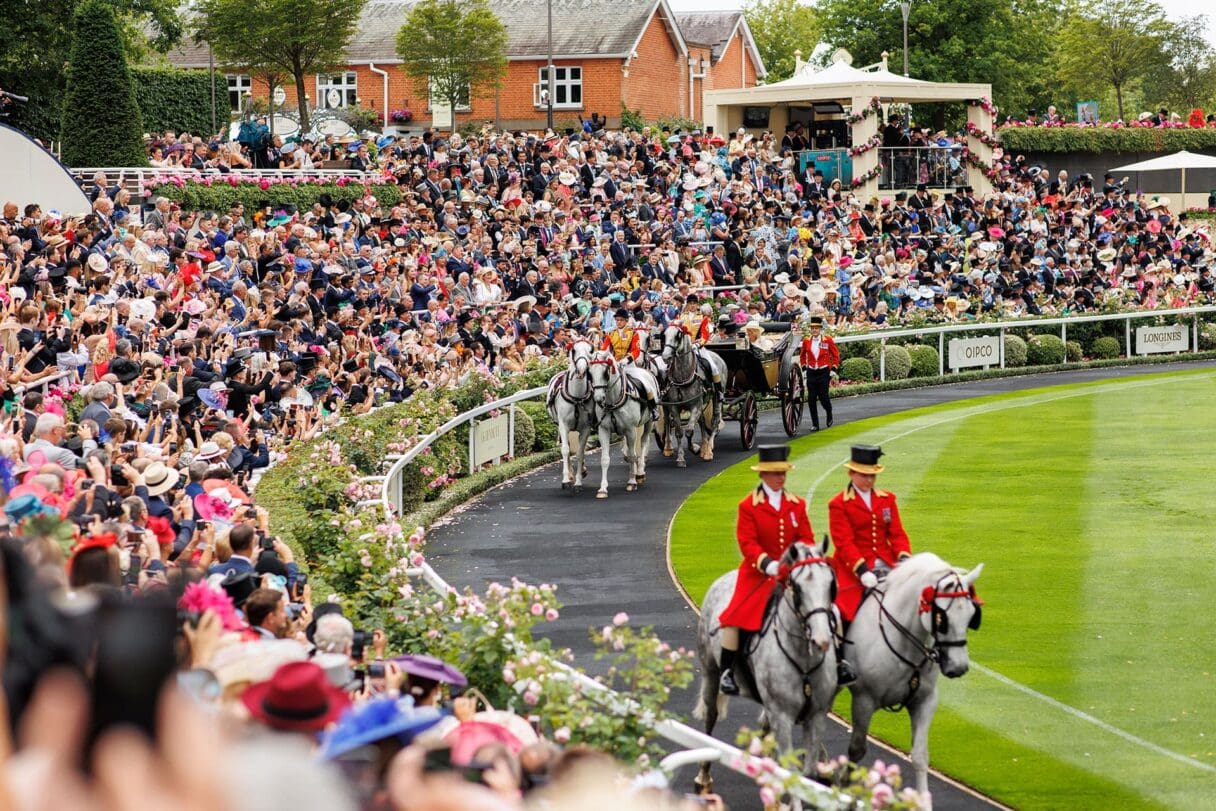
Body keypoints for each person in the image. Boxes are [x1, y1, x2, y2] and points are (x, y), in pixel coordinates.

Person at [715, 445, 814, 695]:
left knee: (822, 608)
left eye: (783, 472)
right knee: (735, 615)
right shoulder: (748, 506)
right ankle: (727, 671)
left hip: (791, 574)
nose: (780, 477)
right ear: (763, 475)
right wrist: (767, 564)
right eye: (775, 472)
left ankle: (832, 662)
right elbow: (747, 542)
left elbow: (807, 539)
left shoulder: (797, 505)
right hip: (757, 574)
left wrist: (801, 565)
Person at [828, 444, 911, 684]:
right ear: (851, 474)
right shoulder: (839, 503)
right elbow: (844, 542)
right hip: (852, 570)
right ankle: (839, 661)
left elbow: (896, 534)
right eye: (864, 475)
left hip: (887, 563)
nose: (868, 480)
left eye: (872, 475)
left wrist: (904, 558)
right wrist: (862, 570)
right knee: (839, 610)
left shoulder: (887, 499)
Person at [799, 315, 839, 431]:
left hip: (823, 371)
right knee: (811, 398)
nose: (814, 330)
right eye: (812, 328)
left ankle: (829, 411)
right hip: (812, 371)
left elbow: (835, 354)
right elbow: (802, 356)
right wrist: (804, 368)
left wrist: (833, 369)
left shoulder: (827, 340)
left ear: (820, 329)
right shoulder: (806, 341)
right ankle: (815, 424)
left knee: (823, 397)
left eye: (816, 328)